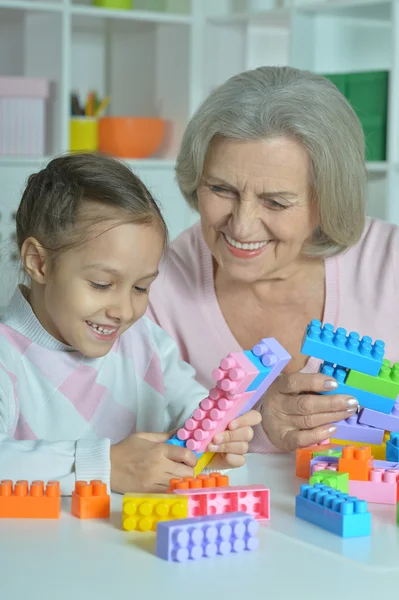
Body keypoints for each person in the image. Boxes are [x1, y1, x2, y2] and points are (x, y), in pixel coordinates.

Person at [148, 66, 399, 454]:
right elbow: (126, 441)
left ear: (327, 201)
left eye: (276, 201)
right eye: (220, 189)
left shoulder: (390, 264)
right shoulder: (151, 282)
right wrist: (259, 422)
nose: (243, 226)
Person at [0, 153, 260, 495]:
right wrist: (104, 465)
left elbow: (189, 403)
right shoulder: (7, 359)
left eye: (141, 287)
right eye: (101, 284)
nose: (123, 310)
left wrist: (214, 433)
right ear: (40, 263)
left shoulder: (144, 340)